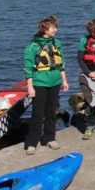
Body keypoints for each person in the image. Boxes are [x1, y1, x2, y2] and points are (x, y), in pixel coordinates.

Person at [24, 15, 69, 154]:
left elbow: (61, 62)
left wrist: (64, 80)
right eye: (53, 27)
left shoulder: (57, 43)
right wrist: (30, 87)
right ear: (46, 29)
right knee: (37, 113)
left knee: (51, 111)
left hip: (54, 81)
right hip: (39, 83)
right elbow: (28, 68)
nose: (55, 30)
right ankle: (32, 142)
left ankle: (50, 138)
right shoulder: (32, 47)